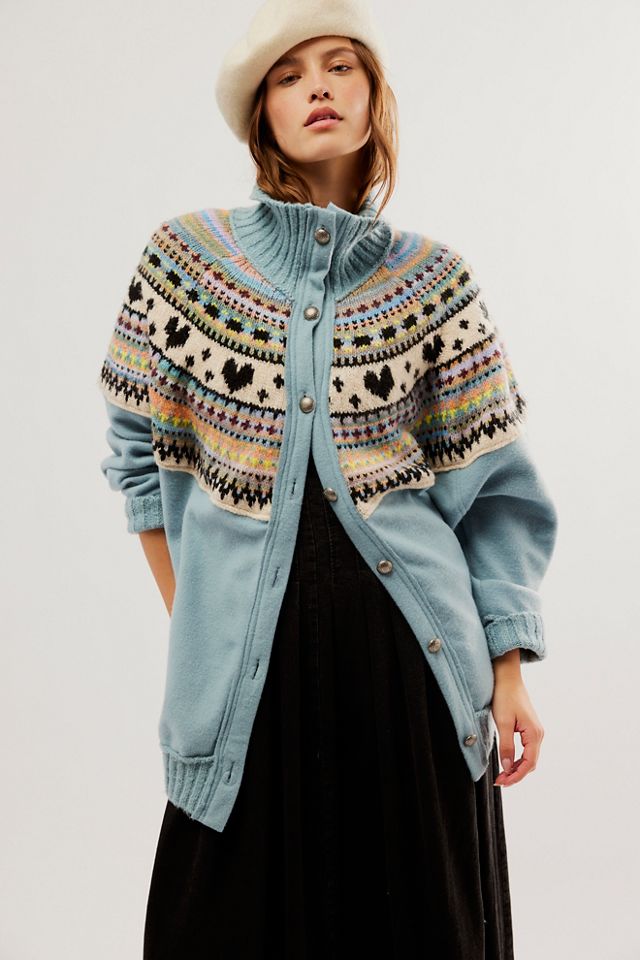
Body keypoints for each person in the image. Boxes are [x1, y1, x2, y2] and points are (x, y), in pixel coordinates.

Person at [96, 1, 559, 956]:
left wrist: (508, 668)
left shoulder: (436, 282)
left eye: (342, 66)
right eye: (289, 74)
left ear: (374, 97)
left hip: (411, 674)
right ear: (260, 114)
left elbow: (497, 495)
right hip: (244, 686)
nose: (318, 87)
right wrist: (204, 619)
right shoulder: (185, 264)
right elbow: (138, 456)